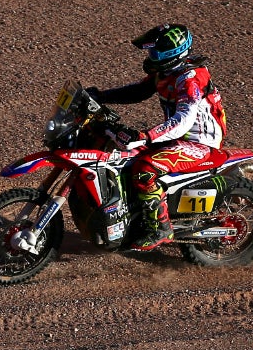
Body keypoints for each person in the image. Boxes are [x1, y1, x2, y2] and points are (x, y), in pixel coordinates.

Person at [88, 23, 228, 251]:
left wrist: (146, 136)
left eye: (156, 52)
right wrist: (100, 96)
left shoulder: (189, 79)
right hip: (177, 137)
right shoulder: (167, 72)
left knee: (145, 169)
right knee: (121, 154)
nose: (152, 57)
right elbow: (138, 91)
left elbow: (183, 120)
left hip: (200, 142)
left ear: (173, 54)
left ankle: (161, 229)